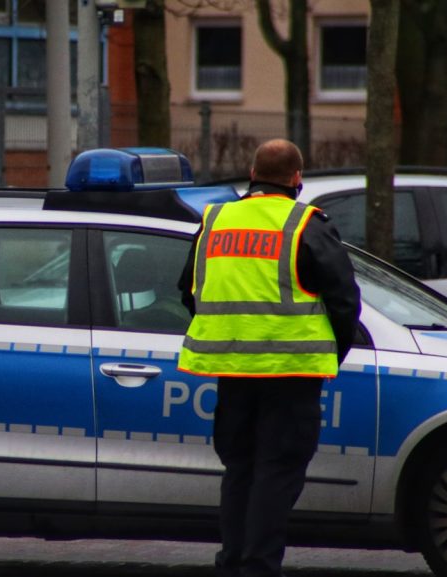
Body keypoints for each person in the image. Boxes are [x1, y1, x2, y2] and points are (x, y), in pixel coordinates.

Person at [176, 139, 361, 577]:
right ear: (297, 179)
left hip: (231, 371)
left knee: (239, 469)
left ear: (251, 172)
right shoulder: (305, 224)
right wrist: (332, 351)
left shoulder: (215, 220)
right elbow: (344, 301)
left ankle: (233, 561)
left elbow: (189, 290)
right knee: (276, 473)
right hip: (291, 375)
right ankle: (257, 567)